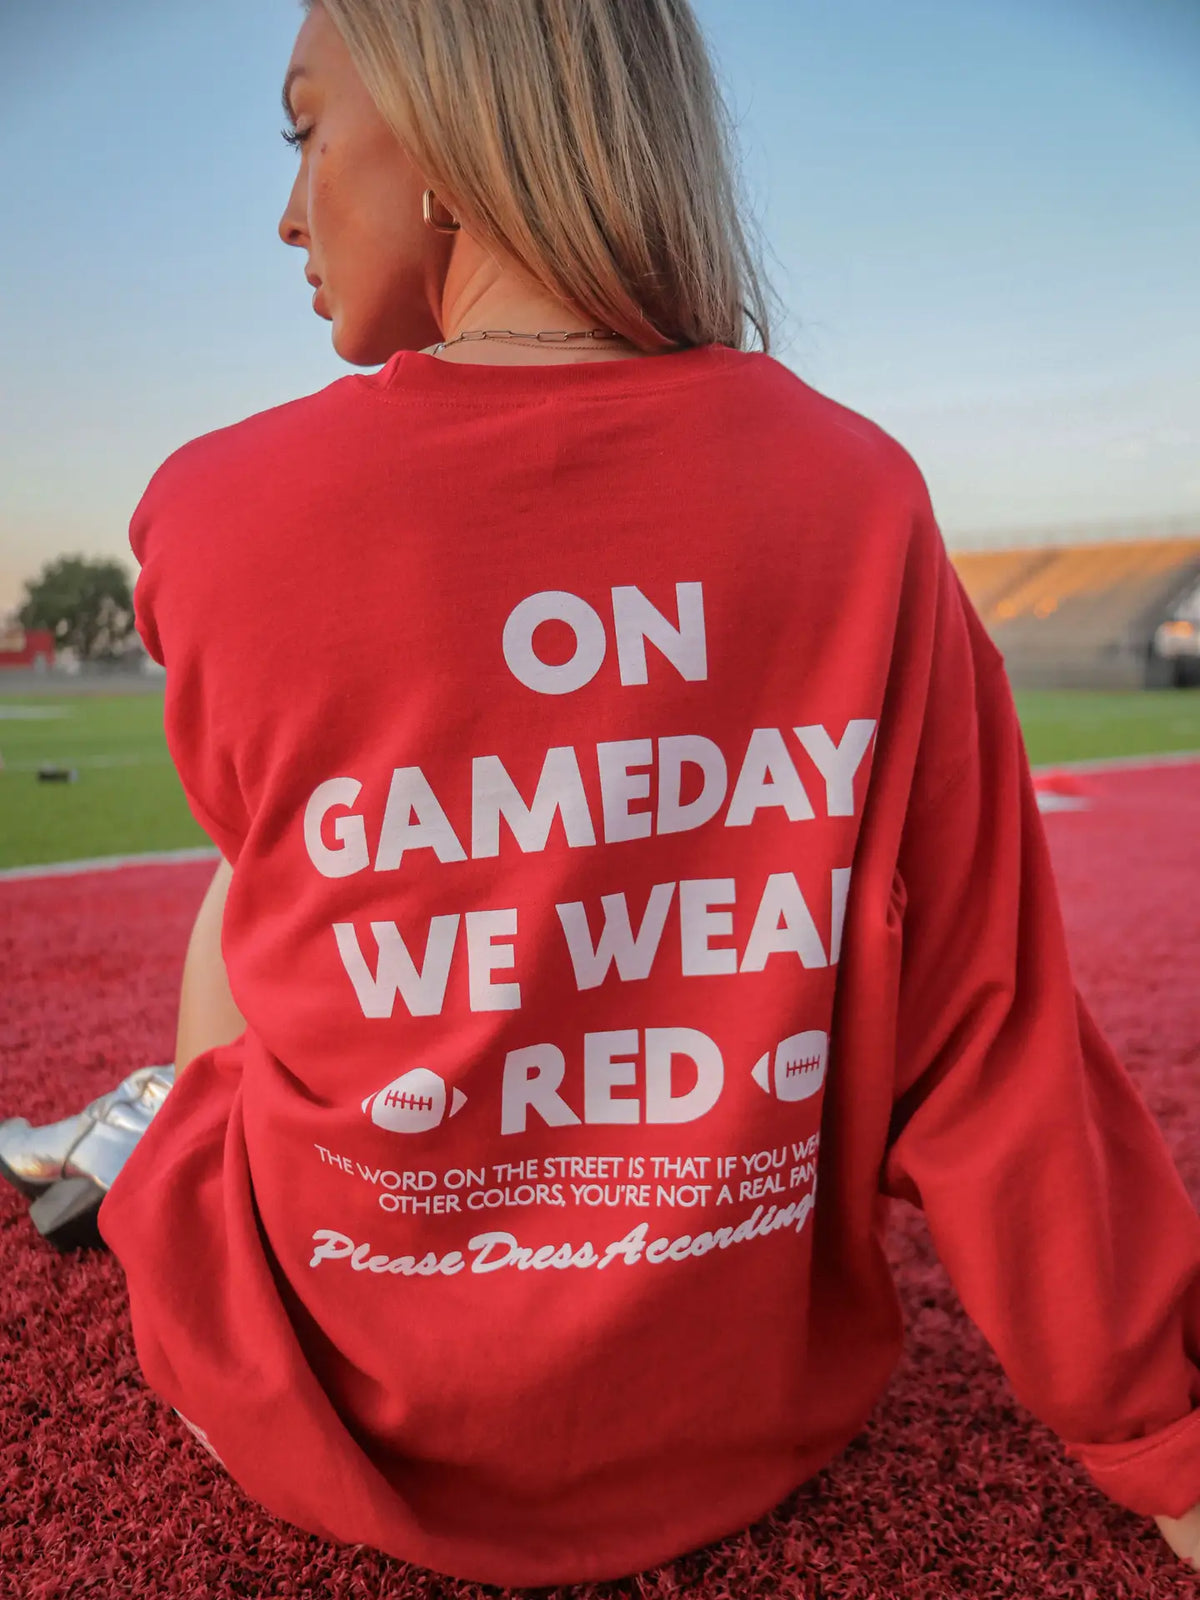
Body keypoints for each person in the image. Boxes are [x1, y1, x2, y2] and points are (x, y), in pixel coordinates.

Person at [4, 0, 1199, 1585]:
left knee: (257, 881)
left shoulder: (213, 515)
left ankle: (162, 1138)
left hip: (330, 1411)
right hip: (750, 1418)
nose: (288, 208)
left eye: (304, 128)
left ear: (443, 134)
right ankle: (162, 1136)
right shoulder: (861, 498)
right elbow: (987, 1035)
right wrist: (1169, 1450)